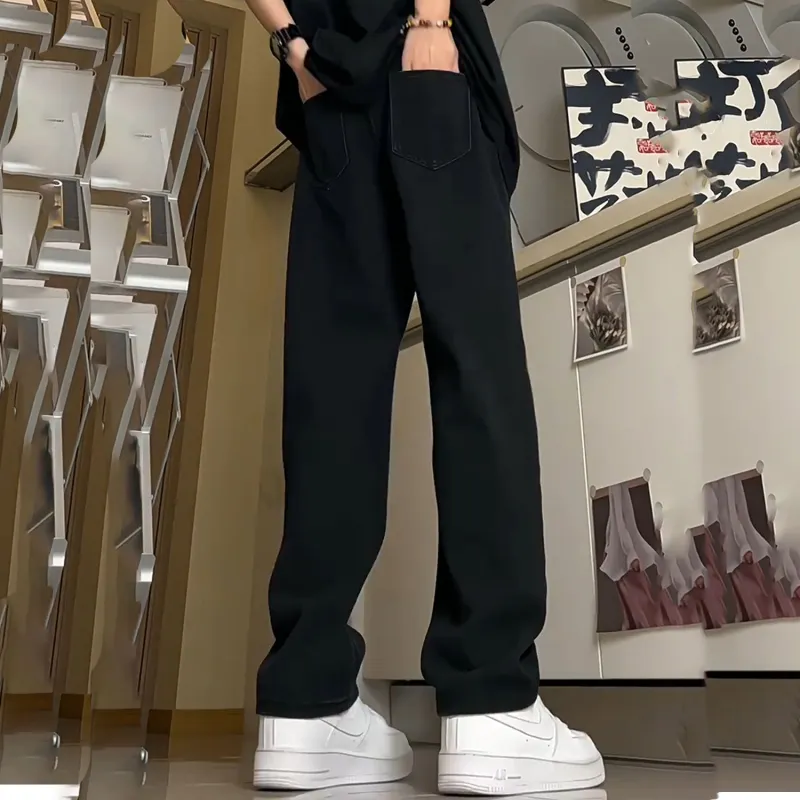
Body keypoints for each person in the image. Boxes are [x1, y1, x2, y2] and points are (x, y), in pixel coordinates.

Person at [244, 0, 605, 794]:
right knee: (479, 382)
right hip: (422, 60)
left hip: (326, 78)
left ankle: (305, 702)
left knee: (332, 396)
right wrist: (434, 21)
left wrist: (292, 45)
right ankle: (491, 697)